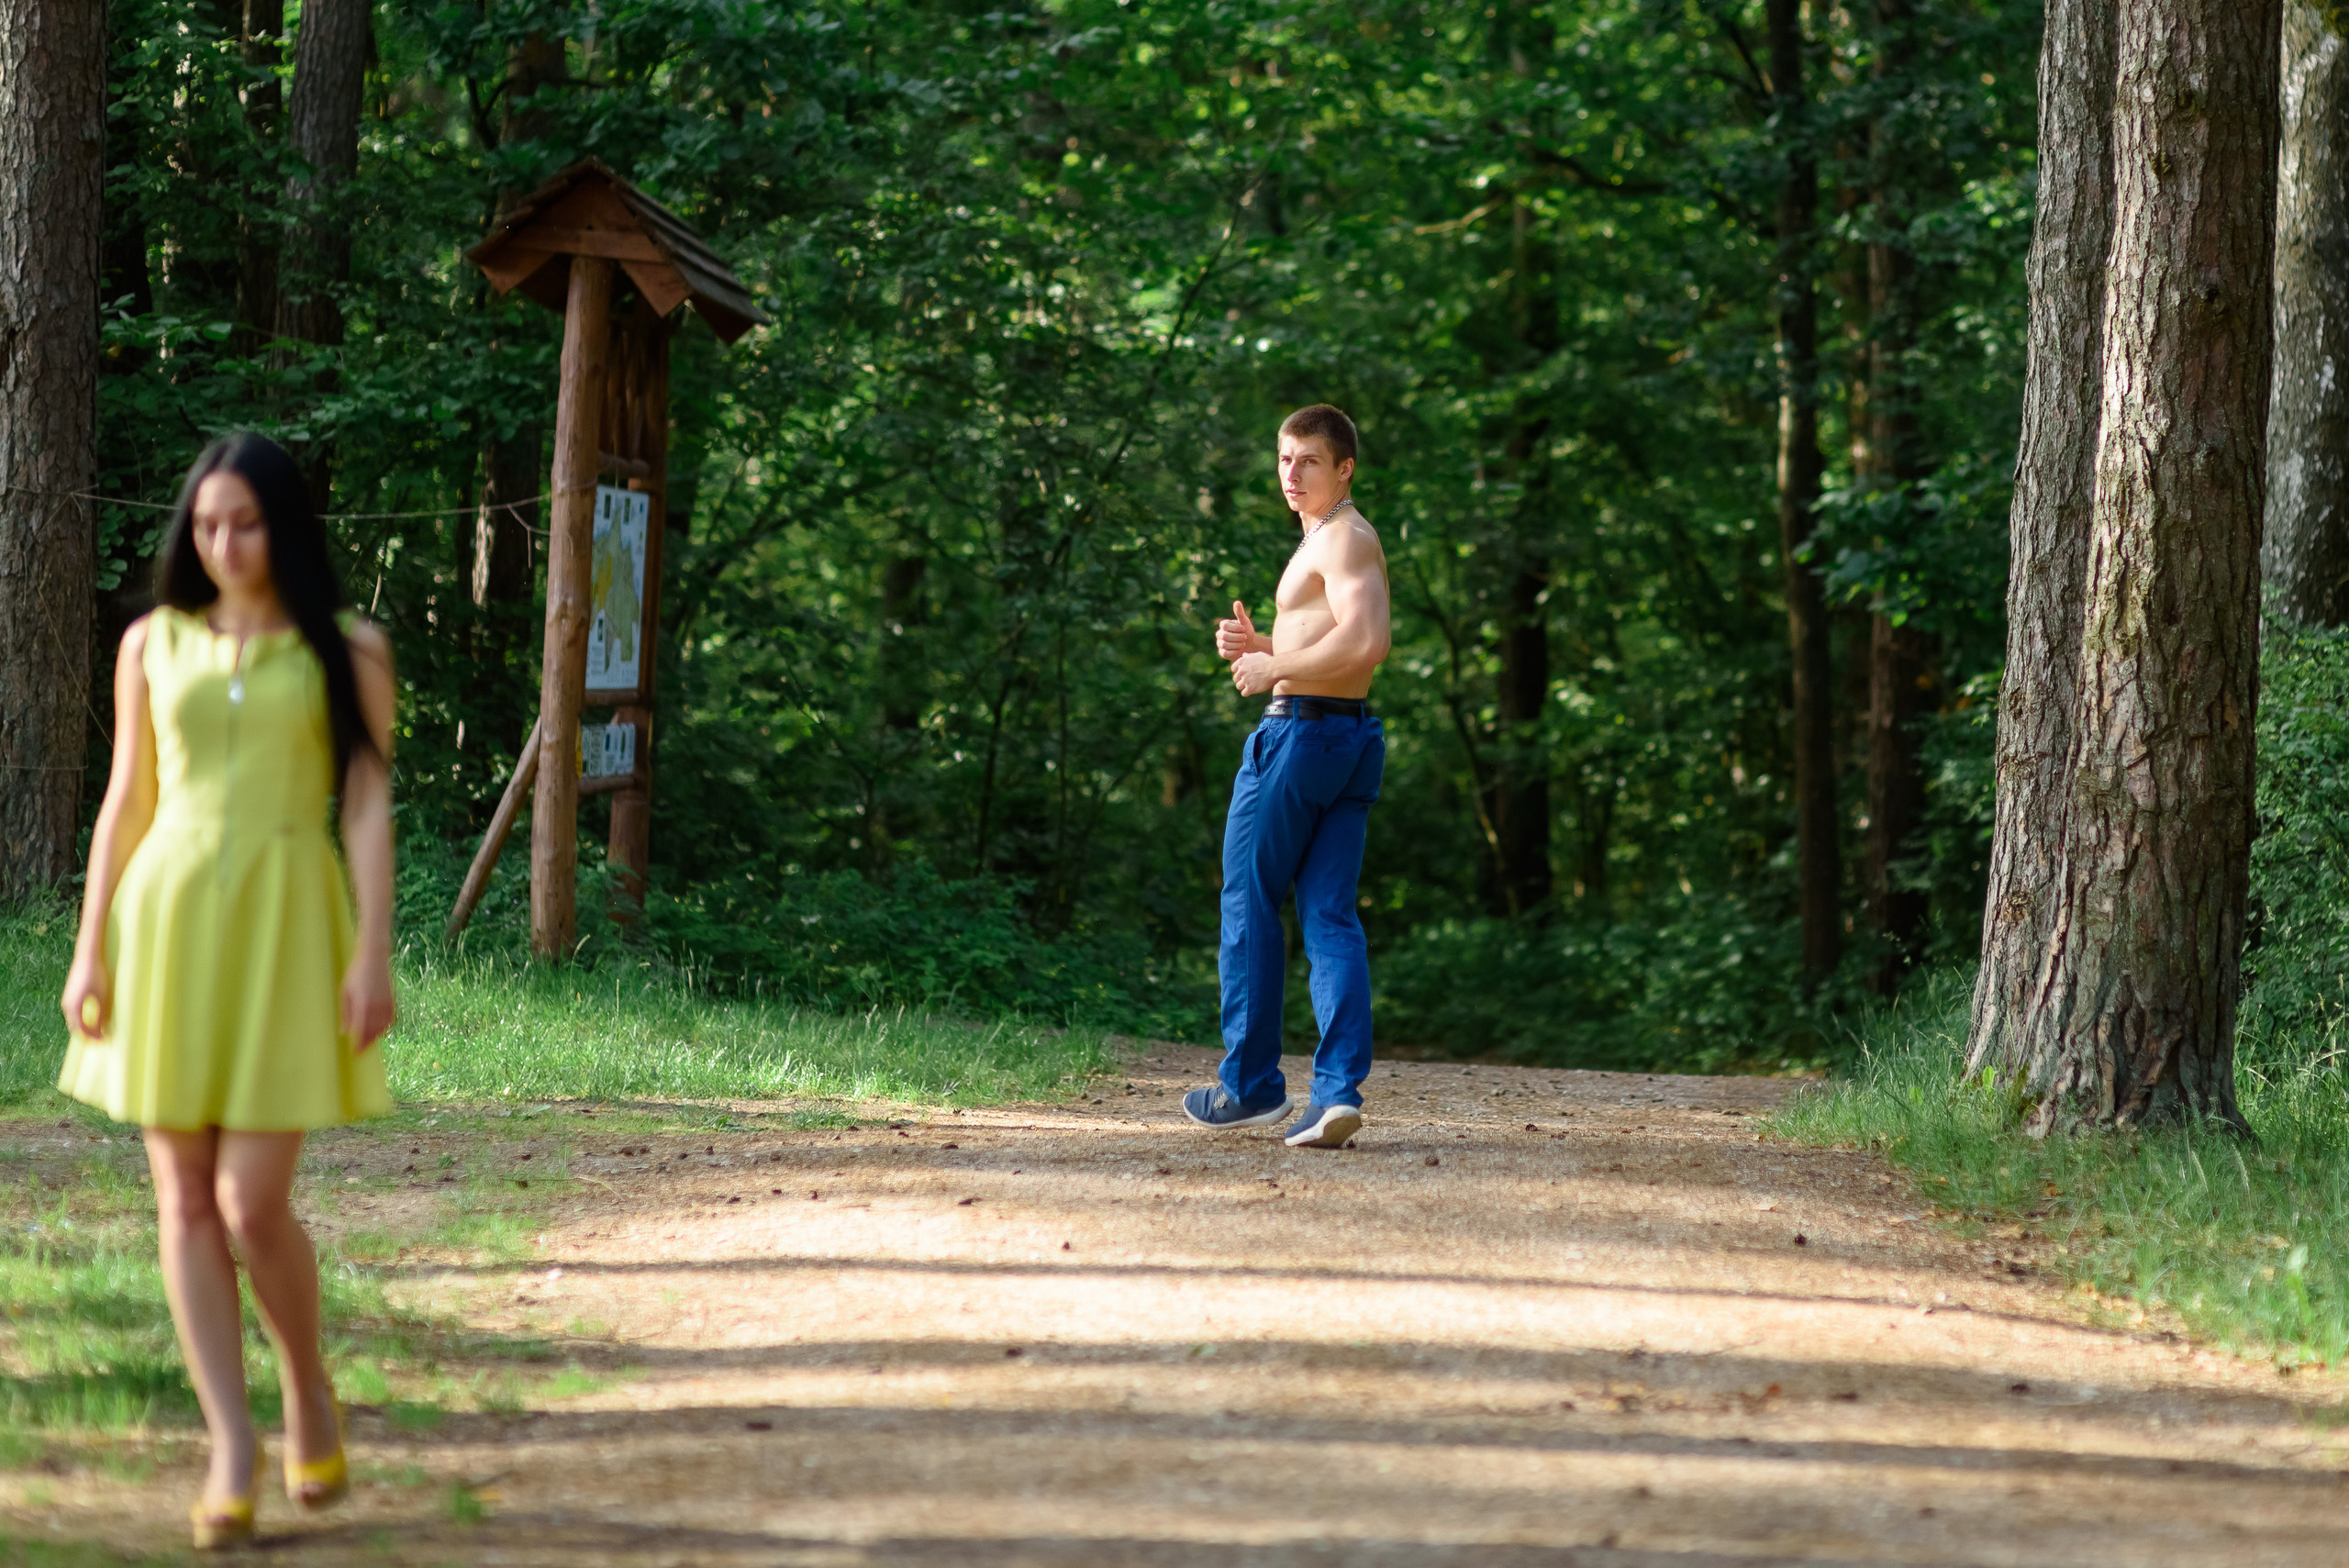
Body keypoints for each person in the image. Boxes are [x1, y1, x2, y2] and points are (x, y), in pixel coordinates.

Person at [57, 433, 397, 1551]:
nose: (220, 542)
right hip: (165, 922)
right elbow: (124, 800)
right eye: (204, 523)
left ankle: (307, 1384)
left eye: (243, 521)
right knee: (185, 1201)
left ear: (283, 526)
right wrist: (89, 946)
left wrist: (371, 953)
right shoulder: (152, 640)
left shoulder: (348, 647)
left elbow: (363, 808)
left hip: (288, 925)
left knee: (253, 1202)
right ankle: (231, 1445)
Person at [1184, 405, 1391, 1150]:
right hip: (1346, 738)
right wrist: (1266, 642)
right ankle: (1336, 1095)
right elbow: (1334, 638)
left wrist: (1277, 666)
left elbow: (1368, 643)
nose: (1292, 473)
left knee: (1247, 897)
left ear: (1345, 469)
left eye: (1309, 460)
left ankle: (1249, 1088)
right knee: (1329, 914)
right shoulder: (1332, 541)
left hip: (1302, 736)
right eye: (1283, 459)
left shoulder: (1344, 537)